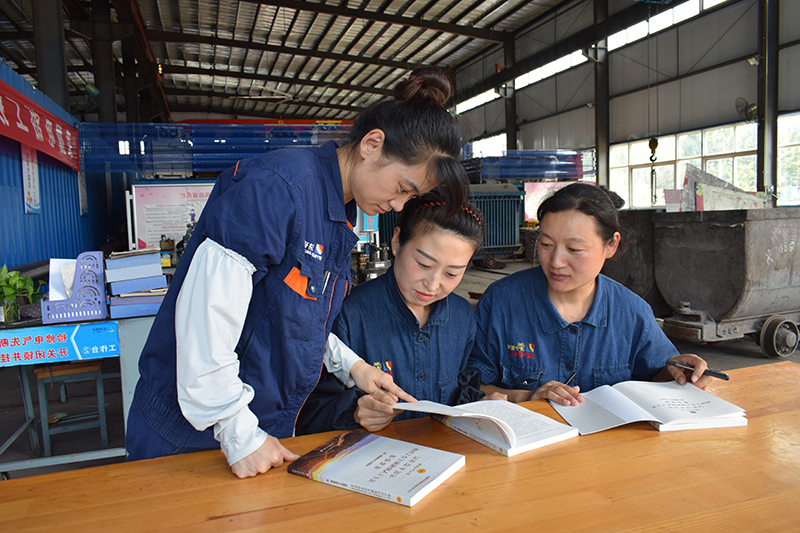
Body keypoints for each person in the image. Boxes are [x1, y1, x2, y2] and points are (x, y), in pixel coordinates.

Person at [125, 67, 470, 478]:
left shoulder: (336, 215)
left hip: (260, 430)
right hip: (193, 435)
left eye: (411, 196)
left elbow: (292, 314)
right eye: (402, 186)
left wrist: (353, 367)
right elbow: (205, 320)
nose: (399, 204)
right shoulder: (277, 188)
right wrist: (238, 431)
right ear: (372, 144)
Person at [467, 182, 714, 407]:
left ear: (611, 245)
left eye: (574, 249)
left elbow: (654, 378)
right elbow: (472, 386)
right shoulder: (502, 303)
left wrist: (679, 374)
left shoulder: (632, 312)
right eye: (545, 245)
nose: (556, 262)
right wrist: (529, 396)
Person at [296, 194, 500, 434]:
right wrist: (353, 412)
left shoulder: (462, 316)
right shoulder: (349, 313)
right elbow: (308, 410)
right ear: (396, 242)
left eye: (452, 274)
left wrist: (478, 407)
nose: (433, 285)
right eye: (424, 265)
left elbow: (461, 388)